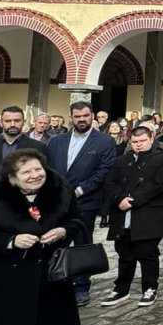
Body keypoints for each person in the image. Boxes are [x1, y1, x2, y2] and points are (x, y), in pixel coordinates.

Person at [0, 149, 85, 325]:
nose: (35, 175)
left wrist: (63, 231)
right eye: (26, 172)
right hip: (11, 278)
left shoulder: (61, 191)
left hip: (51, 274)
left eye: (38, 169)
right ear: (12, 179)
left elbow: (77, 220)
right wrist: (11, 241)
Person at [45, 101, 116, 308]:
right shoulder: (57, 141)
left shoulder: (104, 141)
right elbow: (48, 169)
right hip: (58, 201)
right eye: (77, 116)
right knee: (55, 241)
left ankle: (81, 286)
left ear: (92, 115)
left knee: (82, 242)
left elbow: (104, 170)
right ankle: (58, 281)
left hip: (85, 200)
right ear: (71, 117)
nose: (82, 119)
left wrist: (80, 189)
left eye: (85, 115)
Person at [102, 124, 163, 307]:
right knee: (124, 253)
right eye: (135, 142)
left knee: (147, 253)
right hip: (123, 214)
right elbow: (110, 182)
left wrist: (133, 200)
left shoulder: (162, 159)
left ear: (151, 139)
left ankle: (150, 288)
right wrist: (120, 199)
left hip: (148, 214)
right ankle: (121, 288)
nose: (139, 145)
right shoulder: (122, 160)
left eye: (142, 141)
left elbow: (160, 185)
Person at [0, 106, 46, 181]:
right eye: (8, 121)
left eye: (17, 121)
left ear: (23, 122)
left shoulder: (37, 147)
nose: (12, 124)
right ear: (1, 123)